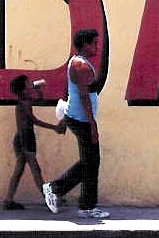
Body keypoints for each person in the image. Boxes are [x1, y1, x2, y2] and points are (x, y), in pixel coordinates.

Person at [43, 28, 110, 219]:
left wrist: (65, 118)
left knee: (90, 162)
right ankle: (69, 196)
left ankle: (63, 192)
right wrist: (92, 124)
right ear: (85, 45)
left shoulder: (77, 62)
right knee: (91, 163)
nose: (97, 46)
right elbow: (83, 97)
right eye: (94, 43)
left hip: (76, 117)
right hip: (82, 120)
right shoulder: (81, 66)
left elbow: (68, 89)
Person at [3, 75, 66, 210]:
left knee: (19, 171)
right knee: (36, 170)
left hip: (21, 138)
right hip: (25, 139)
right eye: (28, 84)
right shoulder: (24, 103)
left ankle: (8, 200)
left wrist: (38, 90)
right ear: (23, 89)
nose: (30, 84)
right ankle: (49, 199)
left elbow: (39, 100)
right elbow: (34, 121)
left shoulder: (24, 100)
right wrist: (54, 127)